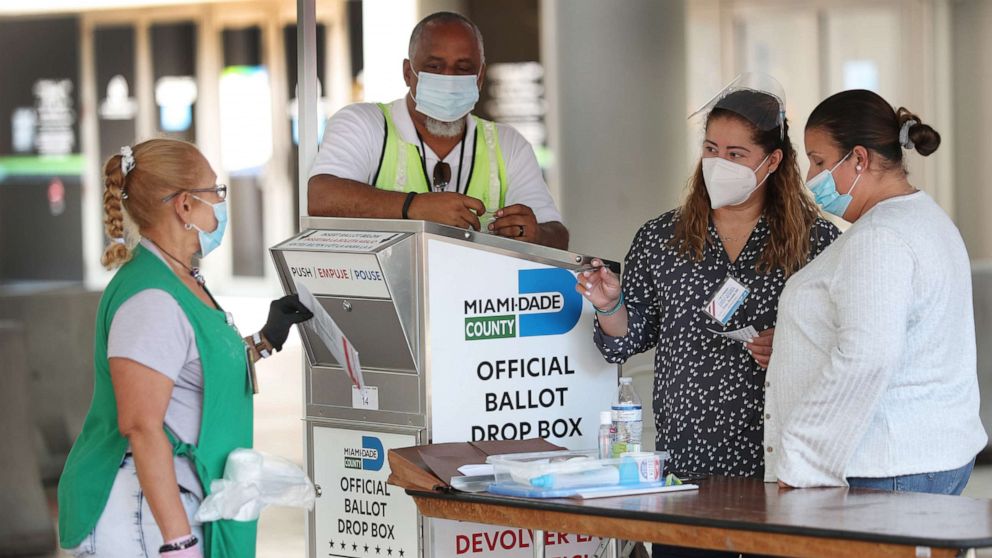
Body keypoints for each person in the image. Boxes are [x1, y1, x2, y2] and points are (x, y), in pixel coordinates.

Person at [578, 74, 839, 558]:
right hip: (688, 467)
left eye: (737, 155)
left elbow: (846, 343)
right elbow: (625, 340)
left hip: (782, 465)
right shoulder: (663, 237)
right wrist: (609, 303)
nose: (718, 164)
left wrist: (793, 345)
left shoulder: (816, 243)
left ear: (773, 161)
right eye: (711, 149)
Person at [58, 139, 313, 557]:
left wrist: (265, 340)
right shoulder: (151, 299)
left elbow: (192, 369)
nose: (220, 202)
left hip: (167, 500)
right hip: (142, 512)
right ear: (185, 206)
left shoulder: (179, 278)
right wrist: (179, 543)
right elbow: (142, 426)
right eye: (216, 191)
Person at [764, 90, 987, 493]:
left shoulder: (880, 238)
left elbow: (868, 356)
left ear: (859, 159)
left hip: (887, 465)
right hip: (932, 455)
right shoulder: (926, 218)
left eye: (818, 161)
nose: (811, 177)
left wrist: (802, 458)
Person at [307, 11, 569, 249]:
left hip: (472, 299)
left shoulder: (507, 144)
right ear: (408, 73)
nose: (449, 78)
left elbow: (557, 234)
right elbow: (321, 197)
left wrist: (535, 234)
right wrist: (413, 206)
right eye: (434, 67)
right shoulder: (364, 123)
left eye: (463, 68)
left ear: (479, 77)